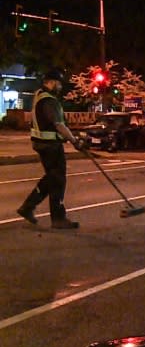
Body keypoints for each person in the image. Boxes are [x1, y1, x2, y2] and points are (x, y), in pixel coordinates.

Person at [17, 70, 83, 229]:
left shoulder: (39, 95)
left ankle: (28, 207)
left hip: (42, 144)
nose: (60, 87)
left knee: (52, 178)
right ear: (51, 82)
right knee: (58, 179)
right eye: (59, 83)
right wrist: (74, 141)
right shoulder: (49, 101)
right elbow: (59, 125)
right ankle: (57, 218)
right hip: (50, 146)